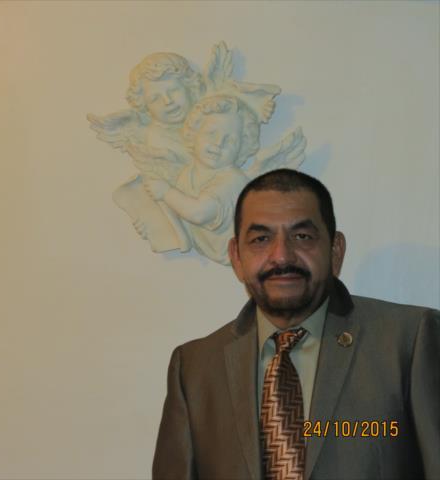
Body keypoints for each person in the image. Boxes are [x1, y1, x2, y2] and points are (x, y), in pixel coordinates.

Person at [152, 168, 440, 480]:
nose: (281, 256)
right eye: (261, 239)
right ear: (236, 256)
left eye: (302, 236)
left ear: (335, 250)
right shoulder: (194, 369)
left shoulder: (410, 341)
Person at [143, 95, 259, 265]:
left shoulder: (233, 180)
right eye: (211, 133)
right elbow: (179, 213)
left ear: (242, 148)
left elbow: (198, 214)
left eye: (230, 140)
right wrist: (151, 222)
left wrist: (165, 192)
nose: (218, 143)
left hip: (231, 255)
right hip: (198, 257)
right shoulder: (188, 173)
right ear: (194, 134)